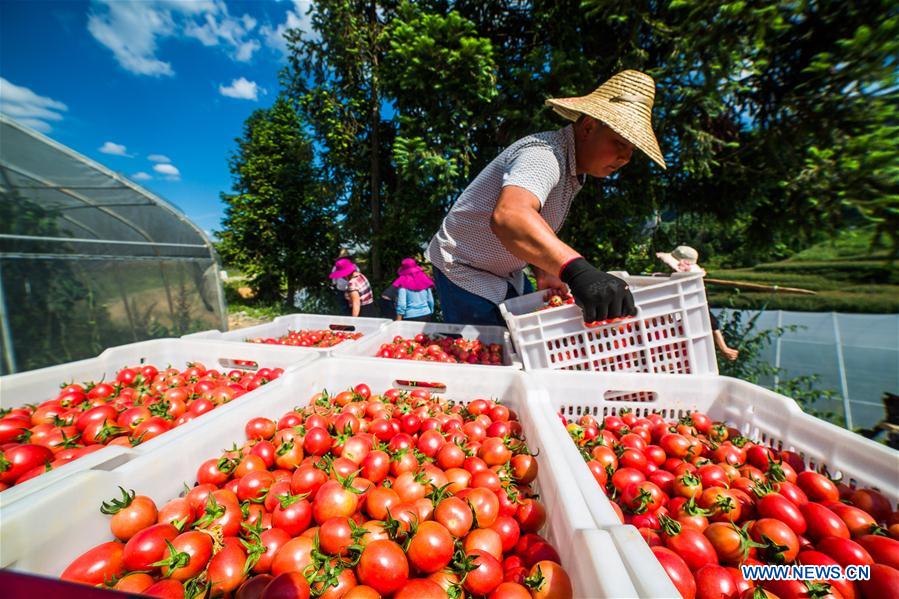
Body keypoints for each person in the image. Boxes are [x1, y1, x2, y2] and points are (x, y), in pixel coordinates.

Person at [427, 70, 666, 326]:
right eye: (620, 142)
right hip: (465, 270)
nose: (626, 157)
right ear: (588, 127)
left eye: (632, 149)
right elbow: (511, 216)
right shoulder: (544, 155)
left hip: (505, 273)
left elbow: (534, 221)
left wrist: (546, 269)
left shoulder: (571, 171)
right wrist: (577, 271)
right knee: (495, 353)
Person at [656, 246, 740, 361]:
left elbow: (707, 316)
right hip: (663, 333)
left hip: (676, 338)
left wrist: (723, 347)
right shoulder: (662, 281)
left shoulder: (691, 290)